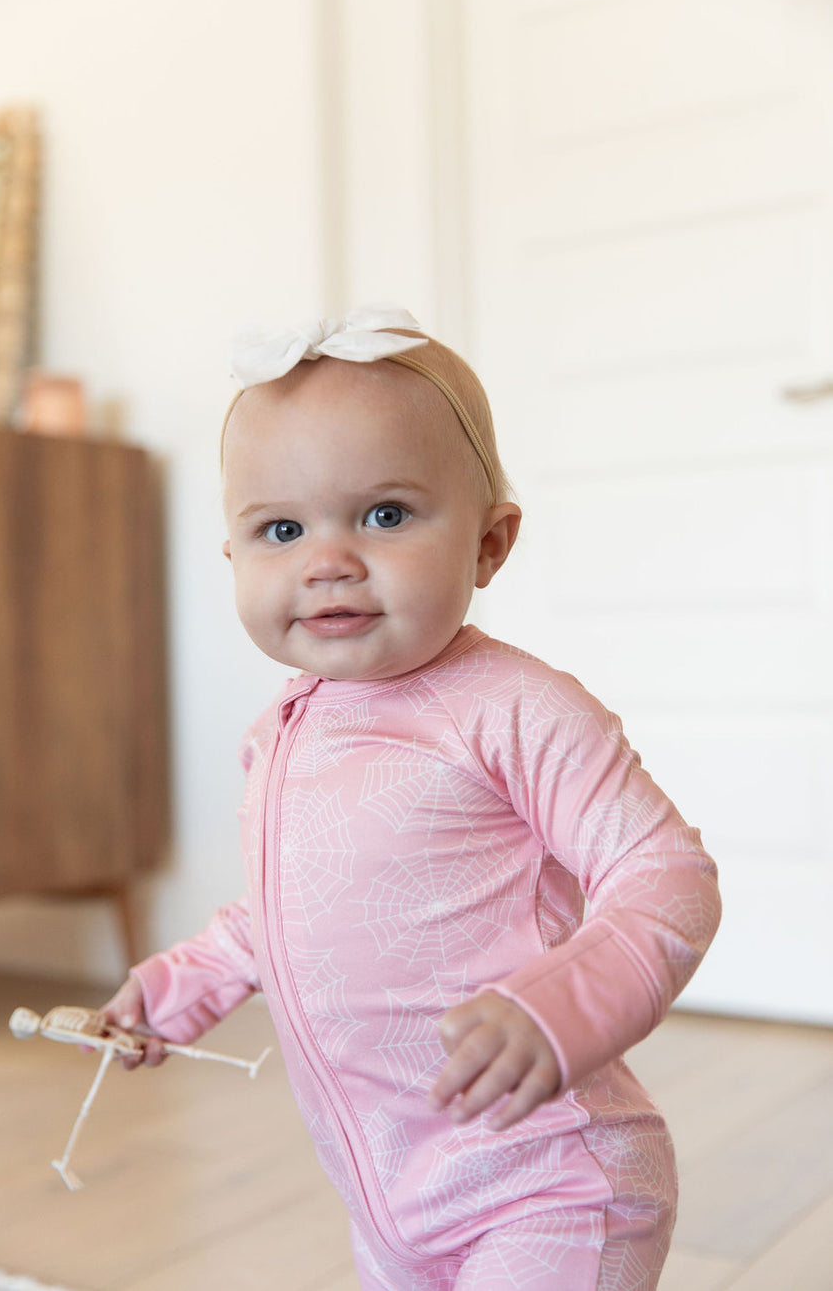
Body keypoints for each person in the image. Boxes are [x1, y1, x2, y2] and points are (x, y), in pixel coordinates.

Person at [103, 306, 721, 1290]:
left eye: (384, 514)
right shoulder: (284, 729)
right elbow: (286, 914)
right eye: (281, 528)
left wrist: (570, 1002)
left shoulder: (515, 709)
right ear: (234, 557)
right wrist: (181, 987)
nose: (328, 559)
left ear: (489, 543)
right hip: (388, 1202)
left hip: (544, 1182)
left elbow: (667, 874)